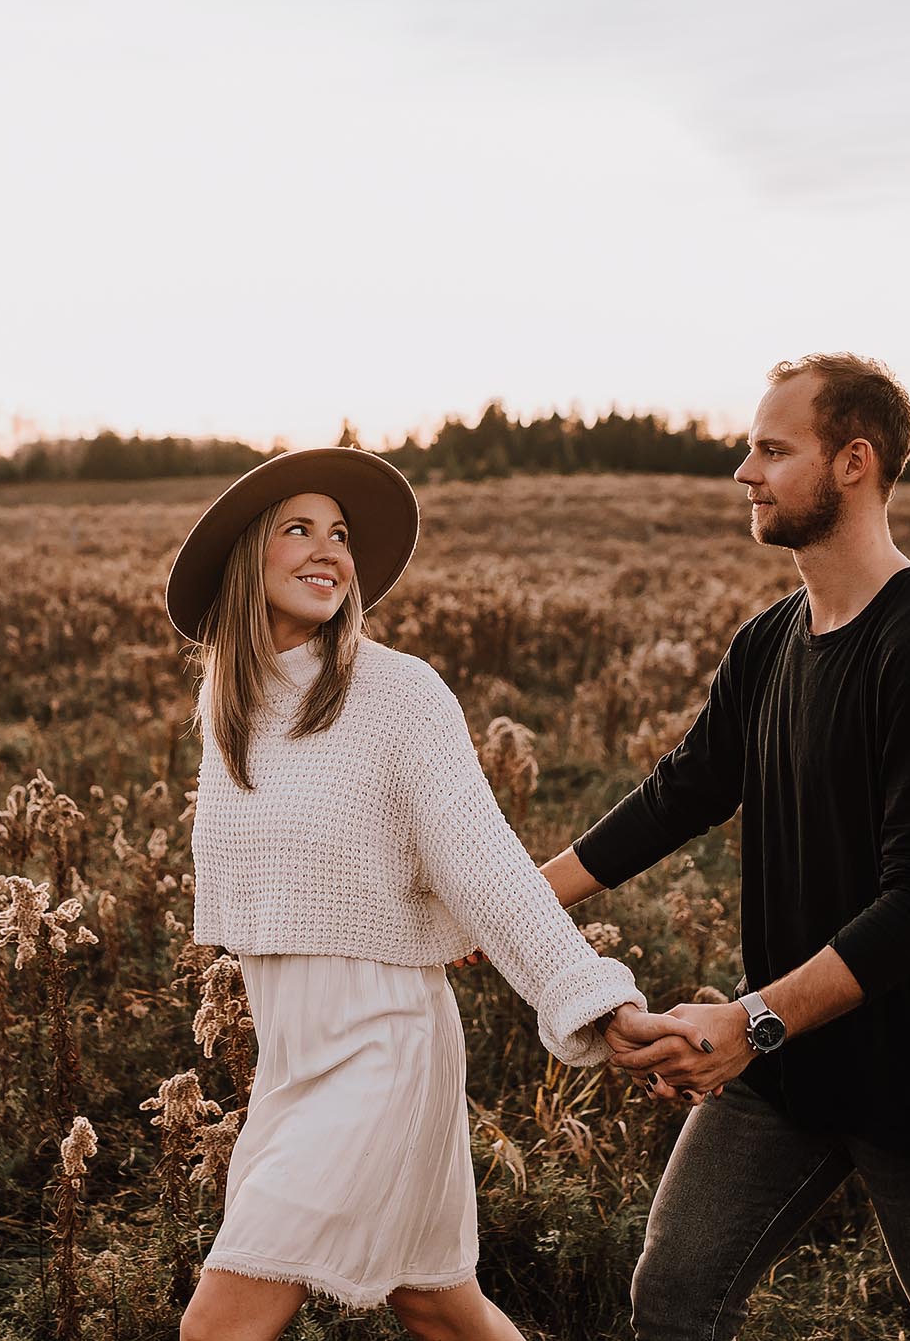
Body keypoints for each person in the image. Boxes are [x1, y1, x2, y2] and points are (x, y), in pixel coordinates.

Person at [537, 355, 910, 1340]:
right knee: (676, 1296)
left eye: (773, 449)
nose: (743, 469)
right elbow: (680, 791)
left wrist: (751, 1020)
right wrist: (520, 899)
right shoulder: (768, 639)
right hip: (789, 1073)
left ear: (852, 461)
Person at [166, 447, 699, 1341]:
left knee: (216, 1327)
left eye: (339, 534)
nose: (328, 550)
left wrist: (597, 997)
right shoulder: (233, 709)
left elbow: (484, 862)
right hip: (293, 1063)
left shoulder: (398, 693)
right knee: (439, 1308)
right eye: (298, 529)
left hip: (382, 1046)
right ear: (248, 555)